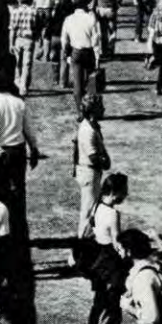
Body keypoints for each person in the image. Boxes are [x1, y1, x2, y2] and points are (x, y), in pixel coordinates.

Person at [0, 67, 40, 219]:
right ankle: (21, 232)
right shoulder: (18, 102)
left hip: (1, 152)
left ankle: (6, 233)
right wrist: (33, 148)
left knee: (1, 192)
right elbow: (28, 129)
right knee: (19, 191)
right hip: (19, 150)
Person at [85, 172, 130, 324]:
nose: (125, 195)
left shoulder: (95, 206)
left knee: (98, 305)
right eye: (124, 191)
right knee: (111, 310)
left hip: (98, 261)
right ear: (115, 192)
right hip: (111, 264)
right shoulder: (113, 214)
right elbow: (117, 242)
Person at [72, 92, 111, 238]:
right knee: (88, 211)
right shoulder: (88, 130)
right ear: (93, 110)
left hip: (90, 172)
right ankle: (81, 243)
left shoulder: (91, 125)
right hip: (89, 172)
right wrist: (105, 162)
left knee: (91, 208)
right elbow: (93, 156)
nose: (104, 109)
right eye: (101, 107)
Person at [61, 0, 103, 110]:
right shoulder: (91, 19)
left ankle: (80, 110)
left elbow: (64, 40)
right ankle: (91, 108)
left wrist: (66, 53)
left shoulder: (68, 19)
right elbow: (96, 39)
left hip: (76, 51)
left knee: (77, 83)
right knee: (91, 83)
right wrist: (98, 56)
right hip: (89, 52)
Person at [7, 0, 40, 94]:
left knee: (17, 63)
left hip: (18, 39)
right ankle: (24, 86)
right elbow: (37, 27)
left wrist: (10, 43)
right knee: (27, 64)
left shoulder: (15, 12)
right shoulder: (34, 12)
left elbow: (12, 29)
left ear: (19, 0)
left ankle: (17, 82)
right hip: (29, 40)